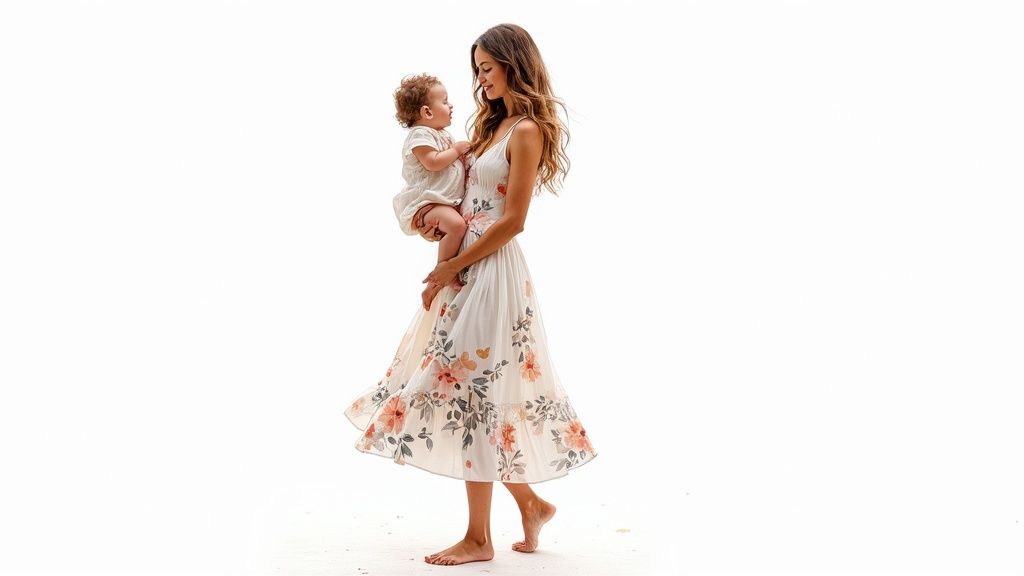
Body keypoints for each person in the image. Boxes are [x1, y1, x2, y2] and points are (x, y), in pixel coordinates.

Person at [344, 23, 596, 567]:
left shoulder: (525, 129)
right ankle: (530, 504)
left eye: (487, 68)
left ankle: (481, 538)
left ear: (512, 64)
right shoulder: (494, 125)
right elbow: (456, 192)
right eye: (476, 70)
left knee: (472, 391)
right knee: (464, 390)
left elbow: (514, 221)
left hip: (492, 268)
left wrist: (453, 263)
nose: (480, 80)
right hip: (467, 264)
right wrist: (438, 234)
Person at [391, 74, 471, 302]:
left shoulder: (442, 135)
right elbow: (432, 161)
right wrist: (456, 151)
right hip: (425, 203)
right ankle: (439, 276)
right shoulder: (420, 135)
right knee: (456, 226)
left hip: (440, 202)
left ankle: (446, 270)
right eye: (445, 101)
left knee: (457, 226)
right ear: (427, 112)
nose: (451, 105)